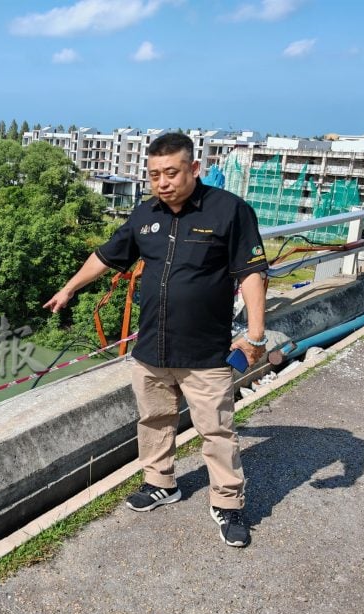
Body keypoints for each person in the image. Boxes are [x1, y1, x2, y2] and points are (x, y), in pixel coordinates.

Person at [44, 132, 269, 547]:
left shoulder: (229, 212)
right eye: (154, 175)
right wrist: (70, 288)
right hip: (151, 349)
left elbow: (252, 272)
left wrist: (255, 335)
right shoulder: (145, 213)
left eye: (171, 173)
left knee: (217, 430)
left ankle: (229, 504)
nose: (162, 183)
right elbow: (107, 254)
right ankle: (162, 483)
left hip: (205, 352)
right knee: (154, 421)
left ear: (194, 169)